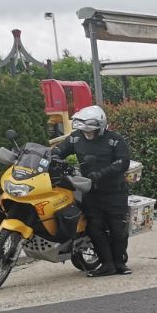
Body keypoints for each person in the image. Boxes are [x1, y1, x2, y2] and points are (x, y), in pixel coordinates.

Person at [53, 105, 133, 277]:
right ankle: (107, 264)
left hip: (114, 191)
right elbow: (61, 149)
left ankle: (120, 263)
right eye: (84, 131)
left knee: (118, 228)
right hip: (90, 191)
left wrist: (101, 174)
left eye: (91, 131)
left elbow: (123, 162)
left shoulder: (115, 140)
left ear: (101, 127)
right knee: (94, 228)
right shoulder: (76, 137)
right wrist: (54, 156)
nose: (87, 134)